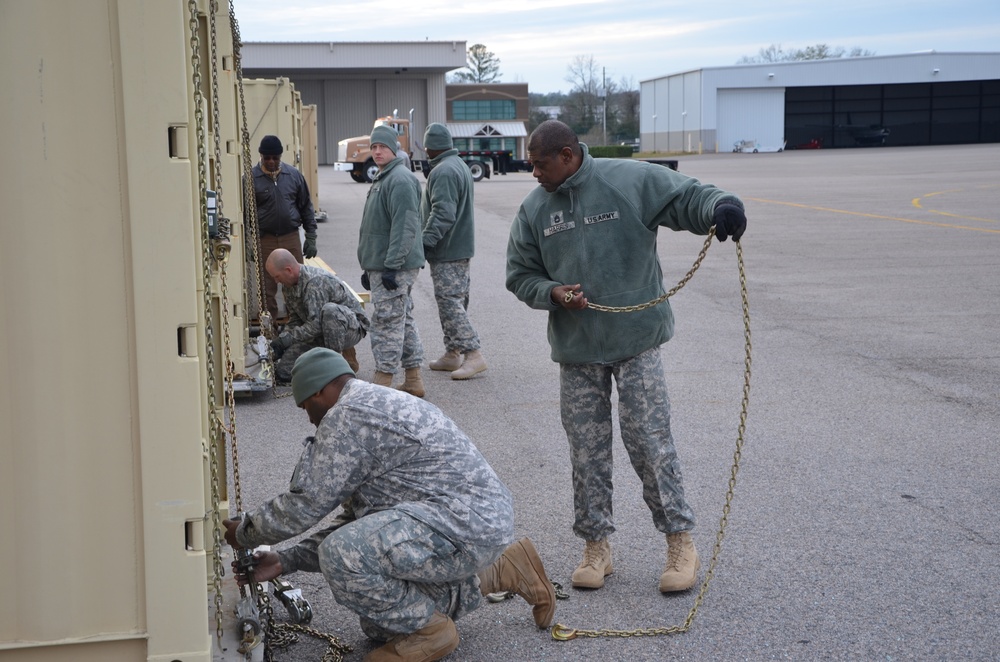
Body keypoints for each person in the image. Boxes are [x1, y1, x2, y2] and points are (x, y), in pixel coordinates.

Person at [504, 120, 748, 594]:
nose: (532, 172)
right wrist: (552, 292)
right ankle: (596, 546)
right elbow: (519, 274)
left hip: (636, 338)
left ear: (568, 155)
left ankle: (680, 542)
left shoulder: (627, 179)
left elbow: (687, 196)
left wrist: (722, 207)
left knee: (649, 440)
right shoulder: (534, 208)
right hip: (576, 351)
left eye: (539, 163)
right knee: (586, 450)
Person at [223, 348, 556, 662]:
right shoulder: (371, 403)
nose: (309, 419)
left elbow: (307, 503)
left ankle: (431, 632)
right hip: (472, 522)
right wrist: (285, 561)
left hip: (464, 523)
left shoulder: (347, 417)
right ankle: (504, 569)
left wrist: (246, 531)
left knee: (342, 556)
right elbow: (357, 521)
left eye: (305, 407)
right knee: (380, 624)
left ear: (318, 392)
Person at [357, 124, 426, 397]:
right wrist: (369, 265)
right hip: (382, 264)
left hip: (394, 266)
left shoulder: (399, 179)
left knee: (386, 321)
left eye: (382, 146)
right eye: (373, 147)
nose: (377, 151)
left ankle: (383, 381)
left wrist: (391, 266)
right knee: (402, 319)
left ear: (393, 148)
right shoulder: (384, 177)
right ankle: (413, 379)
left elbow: (405, 226)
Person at [419, 123, 487, 380]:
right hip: (459, 247)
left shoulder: (444, 171)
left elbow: (443, 214)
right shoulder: (458, 165)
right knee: (456, 300)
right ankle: (452, 353)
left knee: (450, 303)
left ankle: (473, 354)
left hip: (448, 249)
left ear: (429, 148)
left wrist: (425, 242)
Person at [265, 248, 369, 381]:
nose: (276, 281)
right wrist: (282, 341)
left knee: (330, 311)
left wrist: (288, 340)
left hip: (349, 328)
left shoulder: (315, 282)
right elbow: (295, 320)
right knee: (284, 371)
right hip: (319, 332)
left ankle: (336, 369)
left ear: (288, 270)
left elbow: (316, 325)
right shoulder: (288, 285)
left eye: (277, 276)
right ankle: (323, 363)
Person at [249, 134, 318, 323]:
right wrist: (250, 242)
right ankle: (270, 330)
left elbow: (306, 206)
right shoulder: (251, 178)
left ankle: (298, 324)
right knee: (266, 286)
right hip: (266, 239)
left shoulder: (293, 176)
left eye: (275, 158)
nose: (271, 162)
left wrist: (311, 236)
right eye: (267, 158)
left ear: (280, 157)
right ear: (261, 157)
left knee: (296, 281)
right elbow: (246, 213)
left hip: (290, 236)